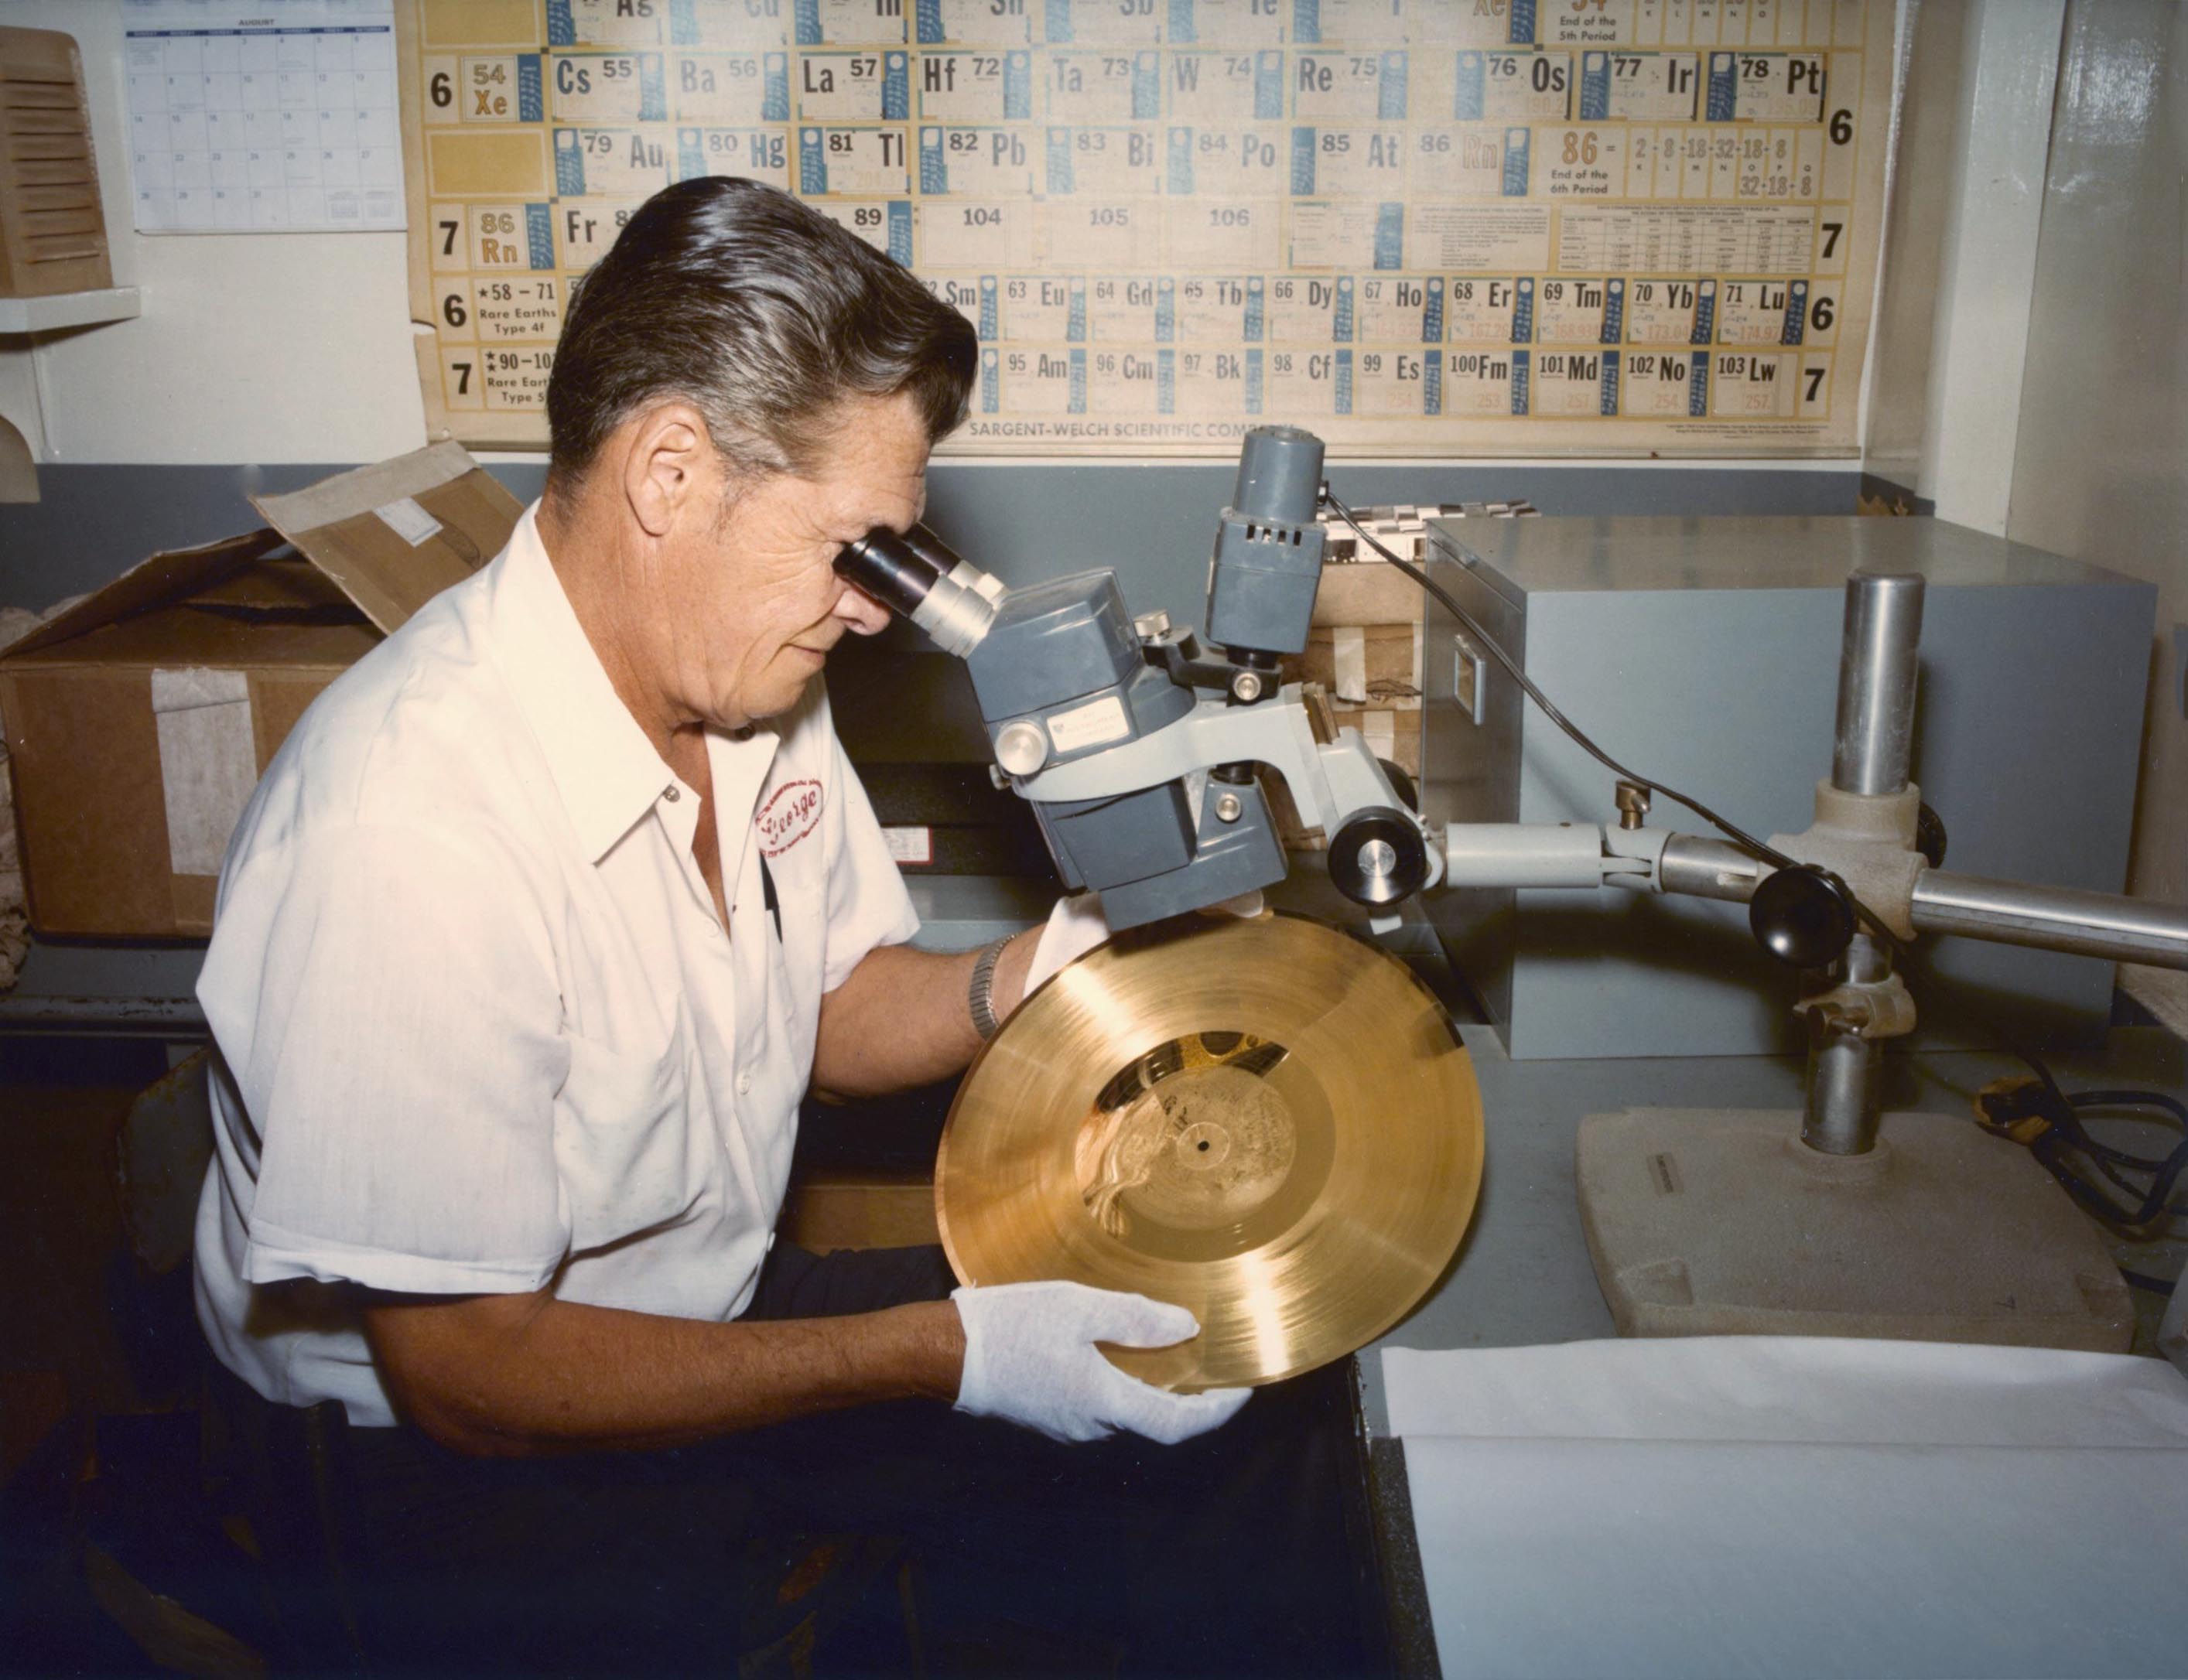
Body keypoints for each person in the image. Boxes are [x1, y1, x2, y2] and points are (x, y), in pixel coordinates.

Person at [190, 177, 1255, 1671]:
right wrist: (948, 1356)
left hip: (699, 1290)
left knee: (1185, 1365)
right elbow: (471, 1377)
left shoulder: (745, 683)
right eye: (859, 548)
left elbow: (816, 1009)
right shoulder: (411, 830)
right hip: (445, 1471)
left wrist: (1027, 978)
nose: (882, 608)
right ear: (672, 472)